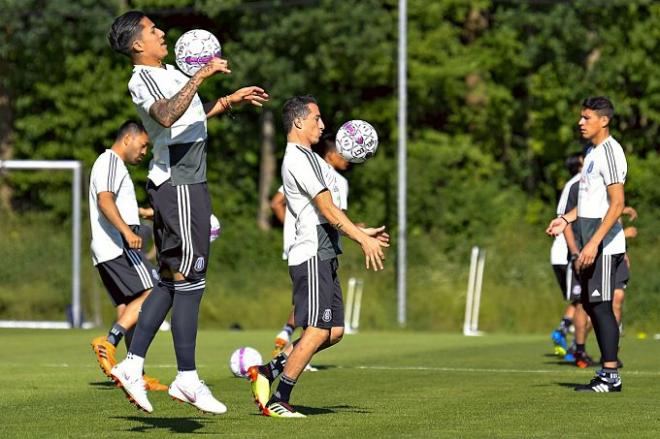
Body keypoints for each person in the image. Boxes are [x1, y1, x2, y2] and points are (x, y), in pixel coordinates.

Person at [107, 10, 268, 414]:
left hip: (187, 184)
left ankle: (132, 364)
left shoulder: (172, 72)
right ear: (137, 44)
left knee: (169, 279)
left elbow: (189, 115)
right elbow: (164, 115)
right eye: (153, 29)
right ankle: (187, 378)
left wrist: (229, 100)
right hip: (178, 185)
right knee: (191, 280)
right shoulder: (142, 77)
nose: (162, 33)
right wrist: (201, 76)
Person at [248, 95, 389, 417]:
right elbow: (326, 208)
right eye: (317, 119)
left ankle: (268, 371)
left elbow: (329, 214)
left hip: (324, 253)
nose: (323, 125)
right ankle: (278, 399)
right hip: (311, 253)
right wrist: (361, 241)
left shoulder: (310, 158)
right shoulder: (296, 159)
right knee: (316, 329)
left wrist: (361, 233)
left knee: (334, 332)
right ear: (299, 122)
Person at [546, 96, 627, 392]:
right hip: (592, 242)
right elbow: (590, 203)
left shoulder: (610, 151)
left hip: (604, 246)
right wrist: (566, 220)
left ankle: (610, 375)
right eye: (581, 118)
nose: (581, 123)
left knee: (601, 307)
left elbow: (617, 204)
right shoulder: (592, 153)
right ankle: (606, 374)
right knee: (592, 306)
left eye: (587, 118)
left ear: (603, 120)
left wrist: (593, 243)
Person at [89, 120, 167, 392]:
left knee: (132, 308)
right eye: (143, 144)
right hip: (118, 246)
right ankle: (109, 342)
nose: (145, 151)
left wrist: (145, 214)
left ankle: (135, 373)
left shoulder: (115, 166)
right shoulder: (109, 161)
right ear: (127, 139)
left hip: (108, 249)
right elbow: (105, 200)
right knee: (157, 291)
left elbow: (117, 202)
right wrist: (127, 230)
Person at [271, 133, 350, 365]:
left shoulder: (306, 166)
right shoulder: (309, 168)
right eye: (342, 153)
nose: (346, 159)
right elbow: (335, 216)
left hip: (307, 245)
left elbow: (277, 202)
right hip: (312, 246)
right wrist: (361, 236)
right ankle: (293, 360)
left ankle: (284, 342)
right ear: (331, 154)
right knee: (316, 320)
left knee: (328, 325)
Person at [549, 153, 583, 359]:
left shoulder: (585, 182)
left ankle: (569, 337)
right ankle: (571, 342)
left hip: (565, 254)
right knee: (583, 301)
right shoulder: (577, 184)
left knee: (582, 300)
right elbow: (565, 220)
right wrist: (576, 253)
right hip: (567, 255)